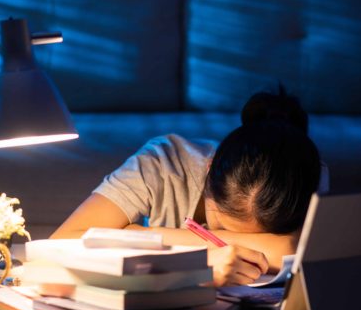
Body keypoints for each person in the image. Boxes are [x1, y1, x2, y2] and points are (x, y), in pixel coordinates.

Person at [52, 87, 324, 286]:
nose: (230, 247)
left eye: (259, 237)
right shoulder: (162, 164)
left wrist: (146, 236)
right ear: (208, 171)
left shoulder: (304, 176)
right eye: (221, 230)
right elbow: (59, 243)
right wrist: (199, 264)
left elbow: (294, 247)